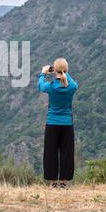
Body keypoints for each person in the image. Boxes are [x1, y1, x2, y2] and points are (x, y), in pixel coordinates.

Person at [38, 58, 78, 189]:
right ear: (66, 70)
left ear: (55, 70)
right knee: (66, 153)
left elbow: (40, 85)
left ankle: (53, 182)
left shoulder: (50, 86)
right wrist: (63, 71)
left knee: (51, 152)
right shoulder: (71, 87)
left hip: (52, 123)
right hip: (67, 124)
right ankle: (64, 182)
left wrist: (43, 73)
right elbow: (72, 83)